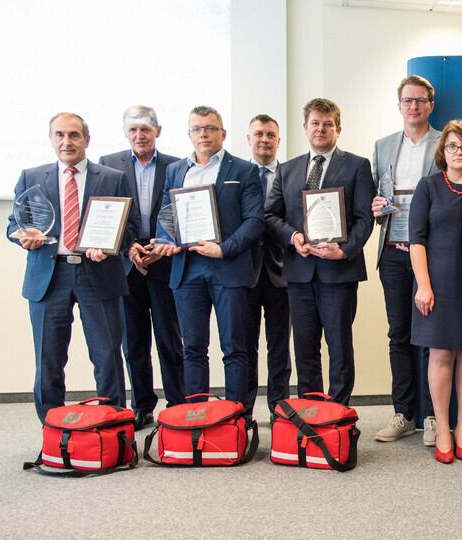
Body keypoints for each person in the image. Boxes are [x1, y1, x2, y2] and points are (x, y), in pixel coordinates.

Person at [8, 112, 138, 422]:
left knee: (107, 356)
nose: (66, 141)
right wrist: (24, 237)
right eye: (60, 135)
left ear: (86, 139)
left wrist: (109, 245)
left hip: (98, 274)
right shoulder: (31, 177)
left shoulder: (112, 178)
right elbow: (14, 223)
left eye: (74, 135)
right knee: (48, 359)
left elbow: (130, 228)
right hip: (49, 276)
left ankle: (112, 425)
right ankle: (52, 428)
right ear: (51, 139)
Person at [150, 106, 263, 416]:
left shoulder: (244, 170)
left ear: (222, 134)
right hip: (187, 270)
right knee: (193, 349)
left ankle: (236, 418)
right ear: (189, 134)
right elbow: (167, 216)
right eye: (197, 128)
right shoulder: (175, 171)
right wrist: (165, 240)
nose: (203, 134)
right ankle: (196, 418)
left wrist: (223, 249)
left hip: (229, 267)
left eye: (210, 128)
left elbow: (254, 221)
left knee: (234, 349)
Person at [264, 98, 374, 406]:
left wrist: (344, 251)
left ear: (338, 129)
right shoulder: (287, 169)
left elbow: (365, 218)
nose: (321, 129)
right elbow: (270, 216)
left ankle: (338, 414)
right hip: (299, 273)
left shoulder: (357, 166)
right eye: (315, 123)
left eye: (328, 124)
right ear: (305, 127)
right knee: (305, 348)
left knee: (339, 348)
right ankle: (311, 411)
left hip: (339, 272)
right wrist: (293, 236)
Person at [99, 106, 184, 430]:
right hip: (125, 262)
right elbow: (105, 215)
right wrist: (128, 247)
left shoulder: (176, 166)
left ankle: (177, 404)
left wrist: (162, 246)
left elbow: (181, 213)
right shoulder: (108, 164)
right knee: (133, 342)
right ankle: (142, 406)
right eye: (133, 130)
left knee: (169, 339)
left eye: (145, 129)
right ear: (125, 133)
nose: (139, 135)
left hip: (165, 260)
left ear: (157, 131)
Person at [408, 120, 462, 464]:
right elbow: (416, 240)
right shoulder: (428, 186)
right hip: (436, 282)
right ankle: (442, 429)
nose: (458, 152)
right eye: (452, 146)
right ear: (443, 151)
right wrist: (423, 284)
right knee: (440, 355)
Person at [371, 75, 441, 445]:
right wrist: (375, 207)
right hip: (392, 252)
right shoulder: (383, 146)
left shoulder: (445, 141)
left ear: (431, 105)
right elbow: (373, 195)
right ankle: (404, 413)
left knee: (430, 336)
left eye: (420, 100)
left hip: (429, 253)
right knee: (398, 334)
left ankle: (432, 416)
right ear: (399, 105)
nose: (413, 106)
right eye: (407, 100)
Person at [245, 114, 291, 420]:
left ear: (278, 140)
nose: (265, 139)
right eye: (259, 134)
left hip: (283, 272)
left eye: (270, 135)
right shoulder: (237, 174)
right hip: (243, 273)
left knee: (280, 348)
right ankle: (244, 412)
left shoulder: (290, 174)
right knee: (245, 347)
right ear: (249, 139)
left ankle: (279, 409)